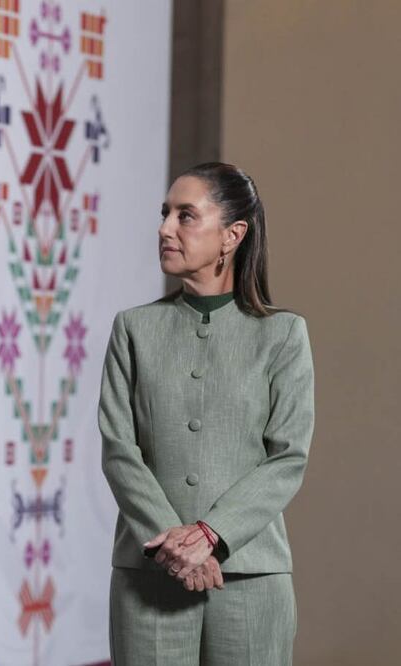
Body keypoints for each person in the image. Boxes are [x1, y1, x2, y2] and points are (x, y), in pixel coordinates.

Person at [100, 162, 314, 664]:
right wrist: (175, 546)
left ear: (232, 235)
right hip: (149, 576)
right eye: (164, 213)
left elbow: (288, 457)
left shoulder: (282, 335)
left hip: (250, 575)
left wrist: (211, 536)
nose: (165, 228)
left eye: (185, 215)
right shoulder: (133, 329)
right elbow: (118, 449)